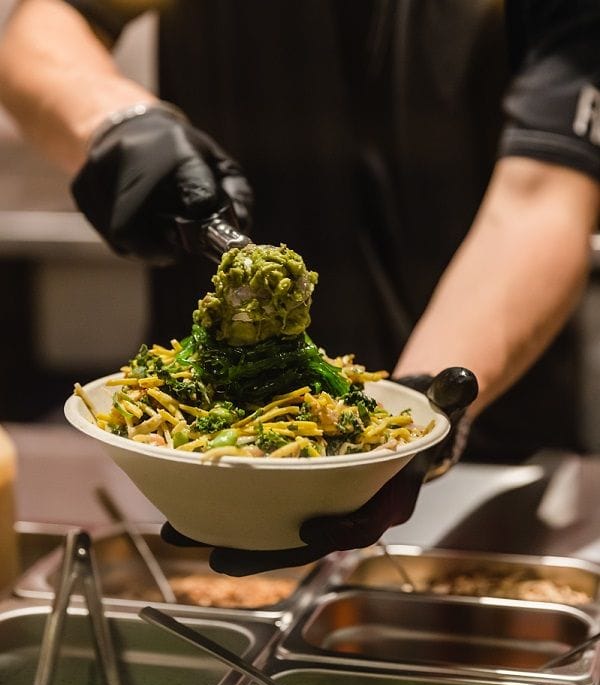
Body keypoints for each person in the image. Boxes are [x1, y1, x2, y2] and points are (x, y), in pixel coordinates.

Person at [0, 0, 598, 574]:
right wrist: (119, 124)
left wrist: (422, 411)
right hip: (192, 442)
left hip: (484, 455)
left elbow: (542, 195)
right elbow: (48, 21)